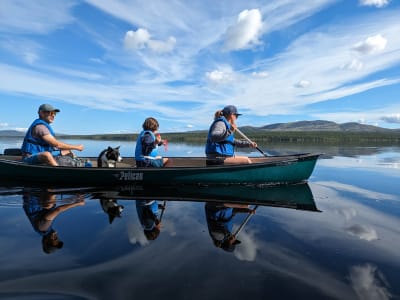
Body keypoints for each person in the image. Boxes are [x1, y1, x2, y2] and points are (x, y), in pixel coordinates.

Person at [23, 189, 85, 254]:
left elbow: (57, 210)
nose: (56, 236)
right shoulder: (43, 230)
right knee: (51, 206)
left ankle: (52, 188)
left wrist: (77, 204)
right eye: (57, 238)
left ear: (46, 241)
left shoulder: (43, 228)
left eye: (54, 239)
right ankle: (77, 196)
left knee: (49, 205)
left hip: (32, 193)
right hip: (33, 194)